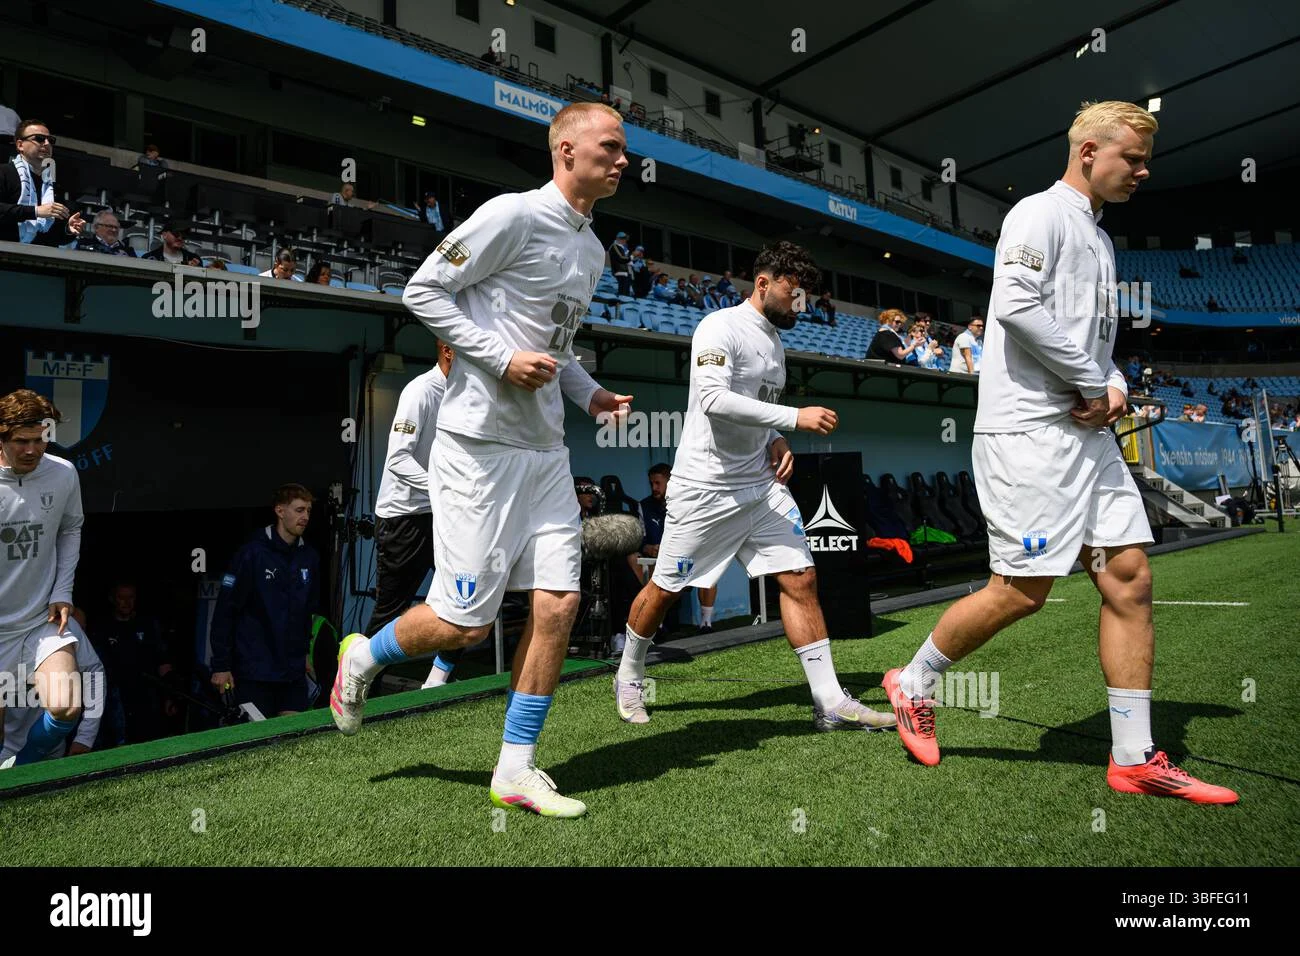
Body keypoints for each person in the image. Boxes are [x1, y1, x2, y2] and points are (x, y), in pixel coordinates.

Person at [880, 100, 1237, 804]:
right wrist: (1088, 381)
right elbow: (1015, 305)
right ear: (1088, 153)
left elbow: (1095, 342)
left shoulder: (1100, 240)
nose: (1141, 171)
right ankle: (912, 680)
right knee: (1022, 591)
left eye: (1144, 161)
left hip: (1085, 433)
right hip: (1028, 436)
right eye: (1131, 158)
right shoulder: (1037, 214)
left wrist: (1108, 382)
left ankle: (1134, 757)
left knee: (1129, 575)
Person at [330, 101, 634, 819]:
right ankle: (363, 658)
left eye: (624, 151)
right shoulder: (511, 216)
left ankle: (516, 769)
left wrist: (588, 393)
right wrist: (499, 357)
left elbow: (556, 350)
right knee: (464, 624)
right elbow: (421, 290)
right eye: (611, 146)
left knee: (558, 603)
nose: (624, 161)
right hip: (478, 449)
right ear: (565, 148)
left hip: (545, 451)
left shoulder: (592, 249)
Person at [612, 241, 896, 733]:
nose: (799, 305)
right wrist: (795, 418)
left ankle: (829, 699)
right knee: (664, 590)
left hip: (761, 488)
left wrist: (778, 438)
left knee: (801, 578)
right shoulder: (719, 327)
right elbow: (714, 400)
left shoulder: (776, 342)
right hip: (706, 487)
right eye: (793, 294)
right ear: (763, 284)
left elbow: (754, 412)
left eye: (804, 296)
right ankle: (630, 673)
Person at [0, 389, 87, 769]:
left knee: (67, 703)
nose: (32, 450)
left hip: (40, 620)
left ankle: (21, 768)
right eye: (22, 441)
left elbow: (71, 528)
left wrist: (62, 590)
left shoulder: (63, 473)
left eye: (40, 440)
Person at [365, 341, 457, 689]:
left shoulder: (465, 394)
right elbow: (398, 460)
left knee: (464, 594)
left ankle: (435, 682)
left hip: (442, 514)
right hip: (403, 517)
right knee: (391, 611)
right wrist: (442, 487)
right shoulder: (420, 391)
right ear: (448, 350)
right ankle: (360, 684)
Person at [209, 484, 321, 718]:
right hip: (255, 672)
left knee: (294, 739)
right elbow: (225, 612)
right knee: (259, 744)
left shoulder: (309, 557)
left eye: (308, 511)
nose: (305, 517)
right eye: (299, 510)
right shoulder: (251, 554)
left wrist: (305, 655)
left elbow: (308, 612)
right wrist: (221, 665)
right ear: (280, 511)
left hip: (292, 672)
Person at [635, 462, 717, 631]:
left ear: (670, 482)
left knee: (709, 570)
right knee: (644, 563)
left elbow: (699, 534)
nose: (654, 488)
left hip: (684, 560)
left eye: (658, 483)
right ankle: (657, 624)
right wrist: (648, 547)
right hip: (658, 562)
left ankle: (706, 623)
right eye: (651, 484)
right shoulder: (643, 506)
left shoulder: (687, 504)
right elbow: (640, 540)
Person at [0, 119, 86, 244]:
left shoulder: (53, 185)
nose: (46, 143)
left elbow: (51, 236)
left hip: (39, 259)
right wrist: (36, 211)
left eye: (50, 140)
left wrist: (68, 229)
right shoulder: (3, 172)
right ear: (20, 145)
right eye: (39, 138)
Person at [608, 231, 632, 296]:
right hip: (620, 271)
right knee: (622, 293)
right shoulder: (615, 246)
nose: (625, 240)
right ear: (618, 238)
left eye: (625, 239)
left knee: (626, 294)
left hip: (625, 272)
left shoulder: (622, 248)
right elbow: (621, 258)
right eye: (623, 238)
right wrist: (632, 256)